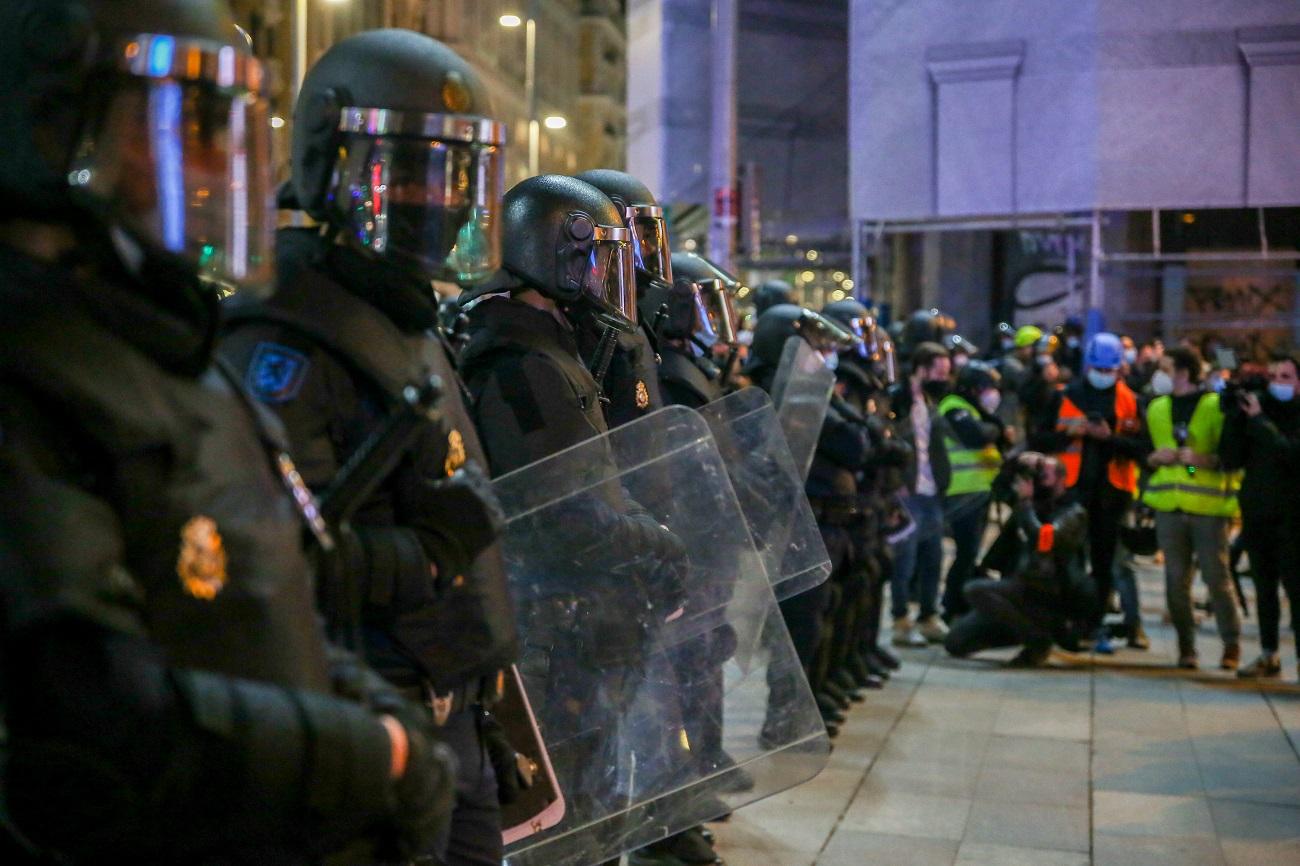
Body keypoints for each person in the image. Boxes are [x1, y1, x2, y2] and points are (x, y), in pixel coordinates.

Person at [0, 4, 454, 861]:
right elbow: (93, 724)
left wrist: (382, 724)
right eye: (190, 126)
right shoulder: (32, 370)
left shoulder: (173, 349)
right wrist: (372, 757)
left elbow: (269, 594)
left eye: (232, 132)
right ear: (59, 123)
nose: (223, 168)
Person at [217, 30, 522, 866]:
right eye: (413, 168)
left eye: (455, 173)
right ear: (332, 157)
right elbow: (271, 560)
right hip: (369, 717)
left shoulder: (404, 314)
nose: (439, 196)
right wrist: (423, 562)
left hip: (452, 708)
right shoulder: (287, 337)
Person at [1040, 332, 1146, 646]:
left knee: (1105, 562)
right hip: (1071, 492)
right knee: (1067, 560)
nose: (1103, 376)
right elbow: (1040, 438)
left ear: (1119, 369)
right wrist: (1070, 434)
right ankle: (1066, 620)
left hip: (1111, 495)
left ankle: (1094, 623)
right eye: (1098, 370)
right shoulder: (1065, 395)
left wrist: (1108, 437)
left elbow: (1142, 448)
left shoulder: (1131, 401)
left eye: (1108, 371)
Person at [1142, 345, 1242, 670]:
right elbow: (1145, 451)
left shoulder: (1215, 406)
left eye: (1165, 368)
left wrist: (1204, 461)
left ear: (1183, 372)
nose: (1160, 375)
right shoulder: (1157, 408)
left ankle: (1231, 645)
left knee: (1217, 578)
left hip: (1208, 508)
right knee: (1175, 580)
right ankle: (1187, 648)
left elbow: (1232, 455)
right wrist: (1156, 458)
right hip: (1169, 506)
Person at [944, 454, 1090, 667]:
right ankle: (1024, 631)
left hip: (1047, 595)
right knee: (955, 642)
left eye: (1044, 476)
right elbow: (999, 484)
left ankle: (1039, 640)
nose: (1038, 481)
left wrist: (1025, 504)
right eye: (1035, 476)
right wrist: (1019, 462)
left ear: (1061, 480)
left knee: (975, 590)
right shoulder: (1028, 505)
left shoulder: (1072, 511)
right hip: (1016, 592)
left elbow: (1044, 539)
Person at [1220, 352, 1300, 678]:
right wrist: (1236, 419)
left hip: (1293, 518)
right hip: (1257, 513)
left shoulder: (1281, 417)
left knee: (1296, 590)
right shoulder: (1258, 412)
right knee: (1264, 589)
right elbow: (1230, 459)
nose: (1277, 384)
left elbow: (1291, 455)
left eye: (1285, 377)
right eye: (1273, 377)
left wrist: (1258, 422)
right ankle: (1269, 654)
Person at [886, 341, 953, 646]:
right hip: (907, 492)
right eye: (939, 372)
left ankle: (929, 615)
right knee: (905, 559)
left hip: (930, 490)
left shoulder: (930, 401)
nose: (944, 378)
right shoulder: (896, 400)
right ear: (921, 369)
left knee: (932, 557)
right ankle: (901, 619)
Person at [938, 361, 1007, 622]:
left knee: (970, 554)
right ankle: (952, 606)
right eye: (986, 388)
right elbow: (976, 437)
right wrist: (995, 430)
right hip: (962, 492)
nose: (992, 394)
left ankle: (959, 603)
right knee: (965, 554)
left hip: (979, 490)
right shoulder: (954, 406)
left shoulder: (974, 410)